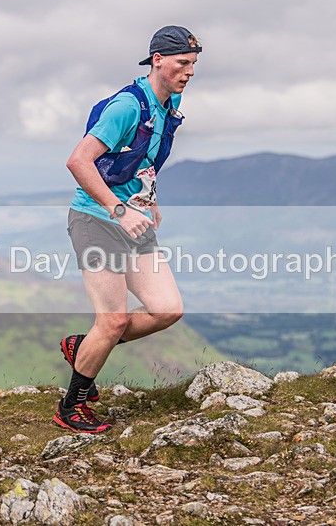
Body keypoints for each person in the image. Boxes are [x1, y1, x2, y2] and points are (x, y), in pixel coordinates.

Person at [54, 25, 202, 433]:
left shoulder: (169, 102)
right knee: (113, 321)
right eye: (182, 64)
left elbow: (140, 157)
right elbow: (79, 162)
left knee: (168, 309)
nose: (189, 72)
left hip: (134, 219)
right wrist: (119, 208)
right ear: (158, 60)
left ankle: (83, 349)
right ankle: (72, 406)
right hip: (97, 220)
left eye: (193, 65)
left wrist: (147, 197)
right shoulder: (126, 106)